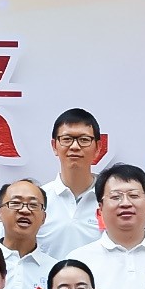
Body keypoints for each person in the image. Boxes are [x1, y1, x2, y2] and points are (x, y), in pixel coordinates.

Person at [36, 108, 104, 261]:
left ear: (98, 147)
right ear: (54, 146)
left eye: (84, 140)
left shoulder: (110, 199)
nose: (74, 146)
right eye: (67, 139)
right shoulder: (39, 200)